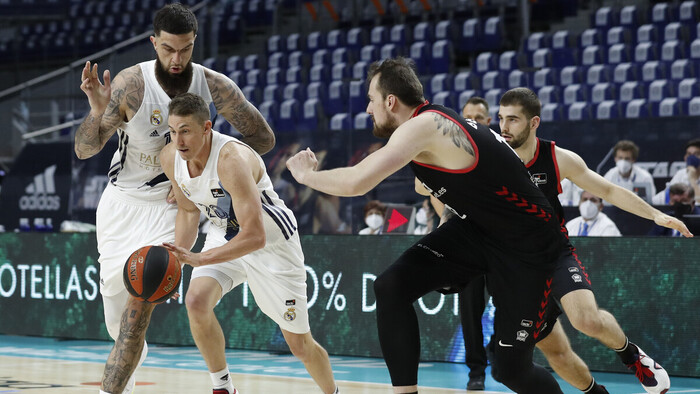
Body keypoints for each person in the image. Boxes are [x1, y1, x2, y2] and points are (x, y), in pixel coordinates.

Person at [288, 57, 575, 393]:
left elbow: (356, 183)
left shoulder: (423, 126)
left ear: (390, 101)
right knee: (390, 286)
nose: (368, 109)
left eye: (371, 99)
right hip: (480, 230)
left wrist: (306, 175)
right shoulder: (427, 128)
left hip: (529, 247)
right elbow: (469, 188)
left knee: (510, 369)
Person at [73, 4, 275, 393]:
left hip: (173, 209)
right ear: (154, 43)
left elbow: (263, 140)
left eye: (185, 49)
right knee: (117, 319)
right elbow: (85, 149)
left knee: (140, 302)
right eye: (168, 49)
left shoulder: (215, 85)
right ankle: (127, 367)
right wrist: (97, 113)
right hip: (121, 203)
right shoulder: (132, 84)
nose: (177, 59)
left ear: (194, 43)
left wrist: (200, 170)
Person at [498, 87, 690, 394]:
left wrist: (655, 215)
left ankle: (632, 356)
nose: (504, 127)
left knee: (586, 320)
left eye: (513, 119)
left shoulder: (557, 158)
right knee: (556, 352)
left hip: (554, 254)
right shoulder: (489, 158)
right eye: (500, 118)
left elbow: (610, 191)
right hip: (515, 271)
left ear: (534, 122)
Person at [160, 93, 338, 394]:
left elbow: (256, 235)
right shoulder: (170, 158)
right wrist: (178, 258)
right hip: (224, 231)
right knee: (196, 301)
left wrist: (201, 259)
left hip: (271, 243)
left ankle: (333, 393)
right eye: (173, 131)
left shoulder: (231, 160)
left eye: (186, 130)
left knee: (299, 345)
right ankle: (223, 387)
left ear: (206, 128)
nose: (179, 140)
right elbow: (189, 211)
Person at [652, 138, 700, 204]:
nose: (691, 158)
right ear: (685, 157)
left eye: (696, 154)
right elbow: (661, 198)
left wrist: (692, 180)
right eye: (689, 154)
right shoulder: (681, 174)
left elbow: (698, 202)